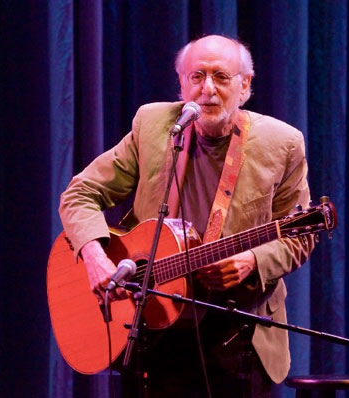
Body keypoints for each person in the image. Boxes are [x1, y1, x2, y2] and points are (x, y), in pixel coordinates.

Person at [59, 35, 315, 397]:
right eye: (196, 77)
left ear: (244, 86)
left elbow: (300, 233)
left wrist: (252, 261)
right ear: (181, 84)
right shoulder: (152, 125)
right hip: (153, 326)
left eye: (221, 77)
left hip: (236, 330)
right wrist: (94, 255)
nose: (207, 89)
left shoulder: (283, 143)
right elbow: (79, 193)